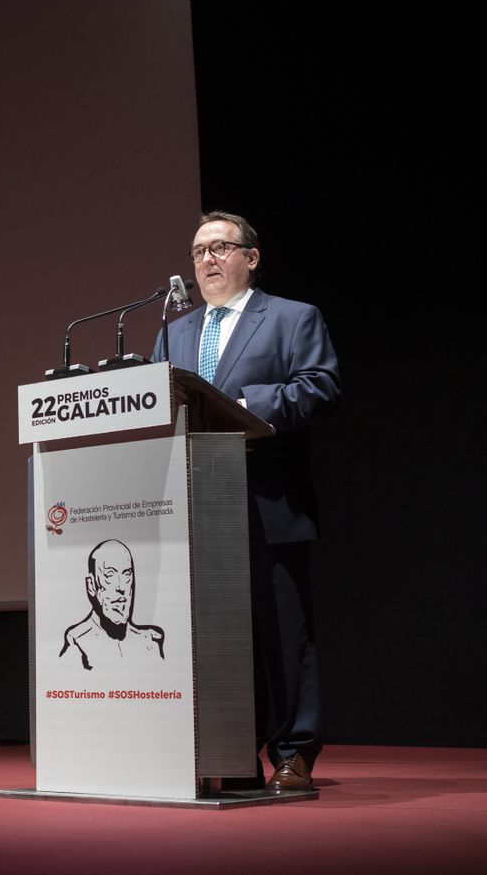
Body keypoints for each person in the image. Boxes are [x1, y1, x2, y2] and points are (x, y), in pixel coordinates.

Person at [151, 210, 340, 794]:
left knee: (283, 633)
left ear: (250, 258)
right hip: (197, 505)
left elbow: (319, 384)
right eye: (198, 251)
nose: (206, 259)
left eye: (220, 247)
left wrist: (242, 405)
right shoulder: (173, 333)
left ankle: (294, 752)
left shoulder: (291, 317)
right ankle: (231, 753)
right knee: (216, 637)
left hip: (269, 500)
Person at [59, 538, 165, 669]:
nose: (121, 587)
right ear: (91, 585)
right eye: (110, 575)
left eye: (127, 574)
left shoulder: (150, 642)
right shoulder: (77, 642)